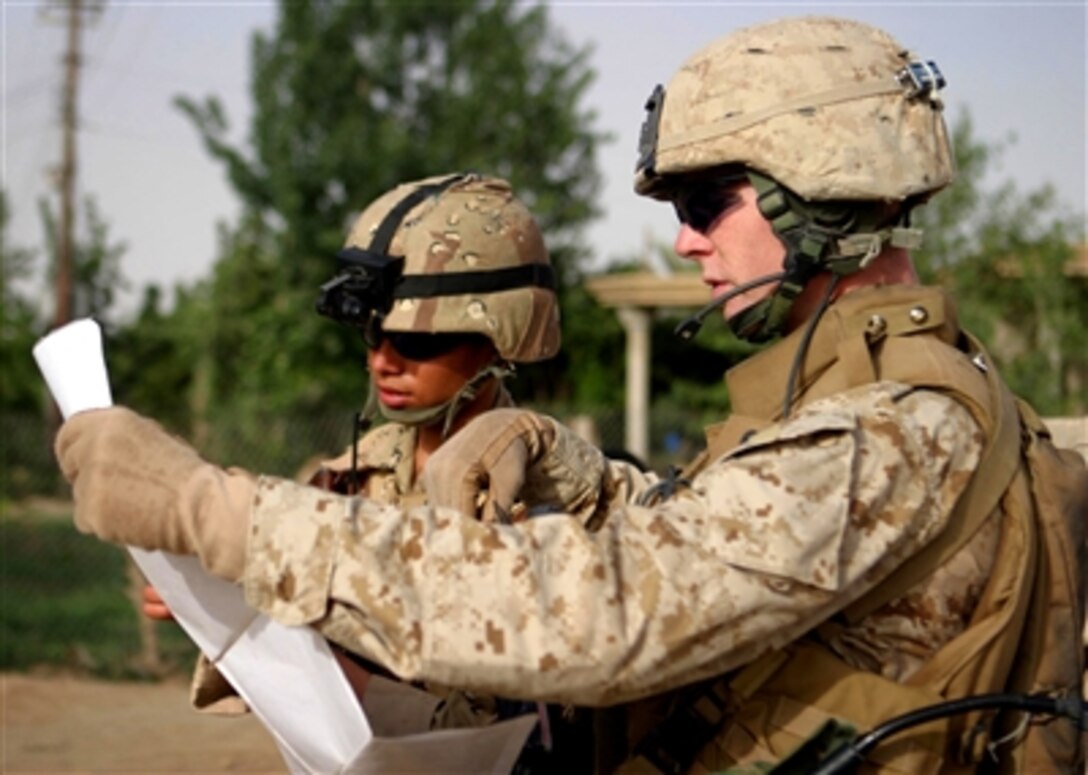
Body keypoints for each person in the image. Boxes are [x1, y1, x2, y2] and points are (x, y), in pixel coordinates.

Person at [53, 17, 1087, 774]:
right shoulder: (910, 397)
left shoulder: (892, 433)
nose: (684, 239)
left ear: (819, 189)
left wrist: (215, 508)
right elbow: (721, 555)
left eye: (703, 201)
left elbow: (605, 611)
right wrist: (581, 471)